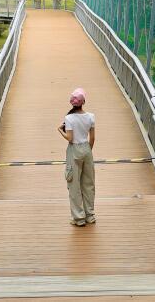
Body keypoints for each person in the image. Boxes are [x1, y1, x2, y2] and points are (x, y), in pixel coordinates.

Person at [57, 87, 96, 227]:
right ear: (83, 101)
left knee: (74, 185)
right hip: (86, 149)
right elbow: (92, 138)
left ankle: (79, 218)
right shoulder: (91, 116)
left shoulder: (69, 118)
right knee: (88, 183)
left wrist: (59, 130)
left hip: (74, 150)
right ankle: (90, 215)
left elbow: (70, 138)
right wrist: (87, 151)